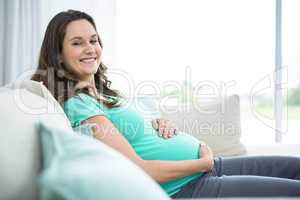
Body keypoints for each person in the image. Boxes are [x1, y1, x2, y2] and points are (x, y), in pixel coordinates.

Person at [31, 10, 300, 198]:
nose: (90, 48)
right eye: (77, 43)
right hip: (188, 187)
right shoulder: (79, 104)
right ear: (59, 54)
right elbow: (138, 168)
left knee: (295, 167)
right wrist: (201, 163)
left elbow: (136, 133)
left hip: (208, 167)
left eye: (93, 40)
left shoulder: (102, 93)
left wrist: (159, 123)